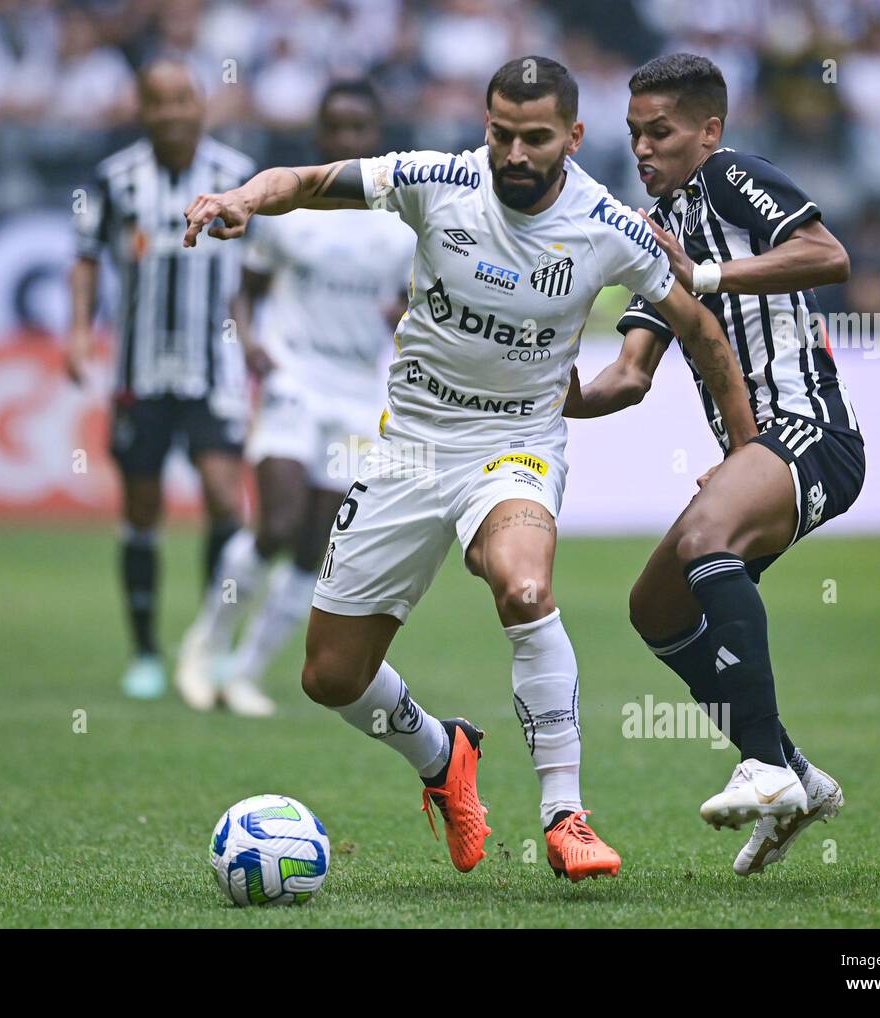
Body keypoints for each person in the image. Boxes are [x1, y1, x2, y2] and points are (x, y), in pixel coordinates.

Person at [182, 56, 756, 880]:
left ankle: (567, 814)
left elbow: (702, 332)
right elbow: (306, 179)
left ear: (573, 137)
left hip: (516, 445)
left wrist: (740, 454)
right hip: (410, 444)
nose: (515, 154)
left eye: (535, 138)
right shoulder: (437, 180)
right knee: (330, 676)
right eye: (501, 134)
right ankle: (441, 755)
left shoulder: (608, 226)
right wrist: (242, 198)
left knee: (523, 586)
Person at [574, 53, 863, 875]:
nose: (642, 149)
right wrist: (552, 389)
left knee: (707, 540)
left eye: (659, 131)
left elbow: (826, 252)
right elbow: (628, 377)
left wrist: (705, 274)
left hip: (813, 431)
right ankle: (796, 773)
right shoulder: (656, 231)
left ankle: (766, 769)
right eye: (633, 134)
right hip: (757, 449)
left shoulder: (732, 179)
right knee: (655, 607)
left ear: (709, 130)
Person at [175, 80, 414, 716]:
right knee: (275, 523)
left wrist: (402, 317)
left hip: (358, 394)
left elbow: (412, 302)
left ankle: (243, 672)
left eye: (360, 129)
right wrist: (250, 345)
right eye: (337, 128)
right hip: (294, 381)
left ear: (374, 139)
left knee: (318, 544)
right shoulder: (289, 215)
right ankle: (206, 641)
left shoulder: (398, 228)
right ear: (322, 137)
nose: (348, 139)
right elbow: (245, 291)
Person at [68, 59, 254, 700]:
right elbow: (86, 259)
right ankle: (146, 652)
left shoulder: (236, 176)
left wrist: (255, 337)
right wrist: (76, 333)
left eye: (183, 99)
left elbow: (258, 270)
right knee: (142, 508)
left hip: (216, 368)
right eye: (159, 101)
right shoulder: (115, 180)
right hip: (138, 372)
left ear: (201, 104)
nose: (172, 112)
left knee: (227, 499)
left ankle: (212, 644)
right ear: (141, 109)